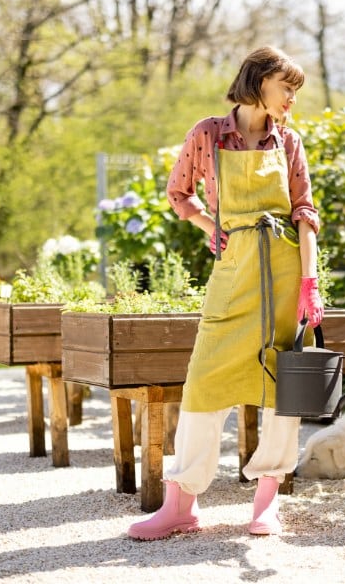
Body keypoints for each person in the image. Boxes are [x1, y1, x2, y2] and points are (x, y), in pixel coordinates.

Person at [128, 46, 324, 541]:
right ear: (260, 81)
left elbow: (305, 215)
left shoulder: (289, 142)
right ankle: (180, 505)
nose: (292, 100)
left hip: (283, 272)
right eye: (288, 88)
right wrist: (203, 224)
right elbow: (179, 192)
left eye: (296, 91)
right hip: (233, 270)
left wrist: (310, 282)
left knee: (283, 387)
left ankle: (266, 503)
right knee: (203, 383)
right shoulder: (208, 133)